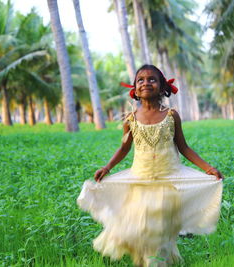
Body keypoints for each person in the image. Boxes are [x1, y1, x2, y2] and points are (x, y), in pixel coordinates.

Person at [77, 64, 223, 267]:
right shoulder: (131, 119)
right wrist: (107, 167)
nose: (146, 83)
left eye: (152, 79)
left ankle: (156, 263)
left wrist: (207, 168)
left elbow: (184, 147)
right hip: (140, 181)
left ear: (163, 87)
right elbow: (123, 148)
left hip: (167, 183)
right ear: (135, 90)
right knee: (139, 230)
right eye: (141, 80)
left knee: (158, 231)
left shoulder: (171, 115)